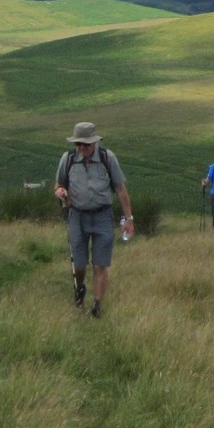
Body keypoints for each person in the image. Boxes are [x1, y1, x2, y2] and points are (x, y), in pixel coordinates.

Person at [54, 121, 133, 317]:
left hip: (103, 216)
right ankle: (80, 286)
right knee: (79, 264)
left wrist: (129, 219)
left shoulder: (108, 158)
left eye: (86, 145)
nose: (82, 148)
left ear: (94, 143)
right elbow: (58, 184)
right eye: (78, 145)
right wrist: (60, 191)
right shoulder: (68, 159)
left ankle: (97, 306)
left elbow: (121, 190)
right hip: (77, 216)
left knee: (101, 263)